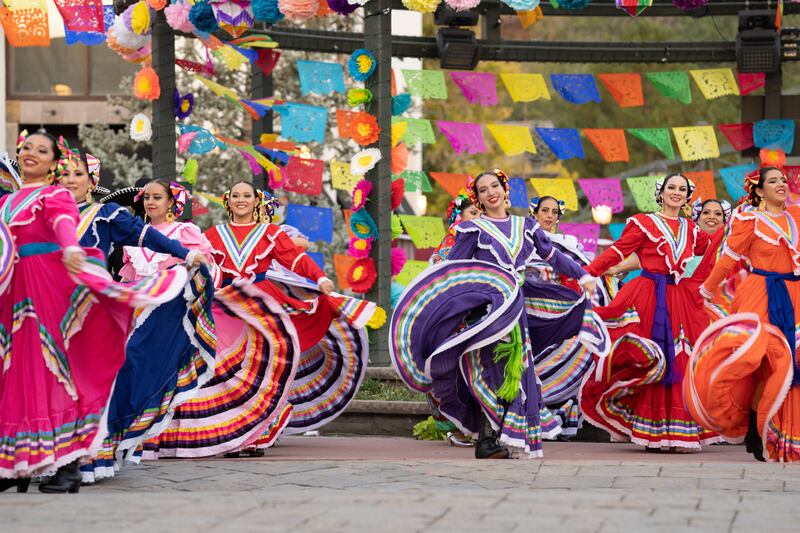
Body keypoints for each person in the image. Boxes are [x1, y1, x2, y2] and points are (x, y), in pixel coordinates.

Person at [0, 132, 185, 493]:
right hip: (15, 289)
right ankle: (17, 465)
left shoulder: (56, 197)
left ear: (56, 163)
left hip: (54, 286)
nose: (31, 155)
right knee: (17, 372)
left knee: (58, 370)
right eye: (26, 149)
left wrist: (70, 248)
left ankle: (69, 465)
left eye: (42, 150)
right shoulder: (7, 202)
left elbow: (66, 226)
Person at [145, 181, 383, 458]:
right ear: (228, 201)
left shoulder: (269, 232)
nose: (241, 200)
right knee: (230, 370)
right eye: (236, 196)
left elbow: (295, 259)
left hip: (263, 305)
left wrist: (320, 277)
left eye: (247, 195)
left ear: (256, 201)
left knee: (264, 368)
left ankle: (259, 433)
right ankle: (235, 432)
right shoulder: (214, 234)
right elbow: (209, 267)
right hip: (228, 304)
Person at [390, 169, 599, 459]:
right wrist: (449, 312)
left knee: (516, 370)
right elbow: (455, 270)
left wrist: (583, 275)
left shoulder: (526, 226)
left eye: (495, 186)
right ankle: (486, 438)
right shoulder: (472, 229)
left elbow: (553, 256)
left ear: (505, 189)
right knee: (487, 372)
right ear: (478, 197)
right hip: (485, 313)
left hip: (517, 312)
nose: (491, 192)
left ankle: (506, 437)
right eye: (483, 189)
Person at [56, 152, 216, 483]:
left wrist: (186, 254)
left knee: (91, 380)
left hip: (91, 306)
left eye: (78, 174)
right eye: (64, 174)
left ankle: (87, 456)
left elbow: (151, 237)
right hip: (47, 305)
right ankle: (42, 457)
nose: (70, 180)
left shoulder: (106, 215)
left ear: (92, 180)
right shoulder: (45, 213)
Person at [579, 174, 717, 452]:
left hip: (677, 299)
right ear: (661, 193)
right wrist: (585, 273)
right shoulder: (644, 223)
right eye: (672, 188)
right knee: (650, 356)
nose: (677, 193)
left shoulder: (691, 229)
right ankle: (650, 431)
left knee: (679, 359)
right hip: (648, 295)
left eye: (682, 189)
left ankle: (677, 432)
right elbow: (618, 251)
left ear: (688, 196)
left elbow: (712, 249)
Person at [686, 165, 800, 462]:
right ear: (760, 191)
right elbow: (728, 260)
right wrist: (707, 289)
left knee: (790, 364)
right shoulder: (750, 219)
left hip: (794, 295)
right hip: (760, 293)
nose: (781, 185)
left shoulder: (796, 217)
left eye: (783, 180)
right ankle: (755, 426)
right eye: (773, 181)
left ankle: (781, 431)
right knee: (759, 360)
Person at [430, 194, 481, 264]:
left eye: (482, 215)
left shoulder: (482, 240)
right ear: (459, 215)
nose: (478, 218)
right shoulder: (451, 240)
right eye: (473, 213)